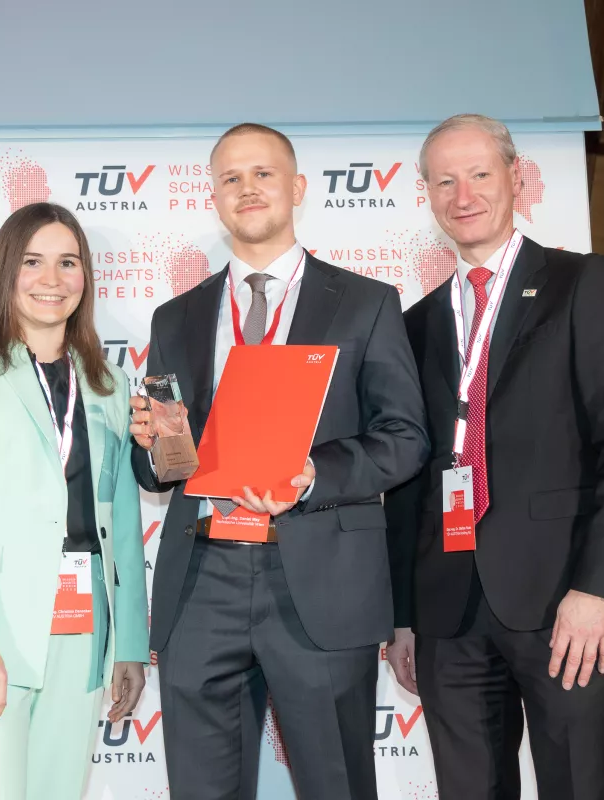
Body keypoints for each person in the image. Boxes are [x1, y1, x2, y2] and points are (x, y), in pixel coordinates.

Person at [128, 123, 429, 799]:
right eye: (230, 177)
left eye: (263, 173)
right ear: (214, 197)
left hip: (320, 583)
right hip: (202, 582)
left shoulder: (365, 303)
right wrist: (155, 446)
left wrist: (317, 474)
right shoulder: (175, 317)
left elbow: (405, 437)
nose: (247, 188)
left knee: (336, 786)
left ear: (296, 189)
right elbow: (163, 470)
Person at [383, 114, 604, 799]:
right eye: (444, 180)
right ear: (426, 194)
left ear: (516, 177)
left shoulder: (580, 285)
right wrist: (405, 616)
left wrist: (599, 589)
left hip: (564, 600)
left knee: (583, 785)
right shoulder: (413, 325)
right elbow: (409, 477)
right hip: (448, 613)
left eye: (479, 173)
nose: (463, 193)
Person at [0, 202, 149, 800]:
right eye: (34, 262)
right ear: (5, 271)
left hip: (82, 627)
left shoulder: (109, 382)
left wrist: (130, 644)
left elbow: (121, 521)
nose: (52, 279)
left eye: (68, 263)